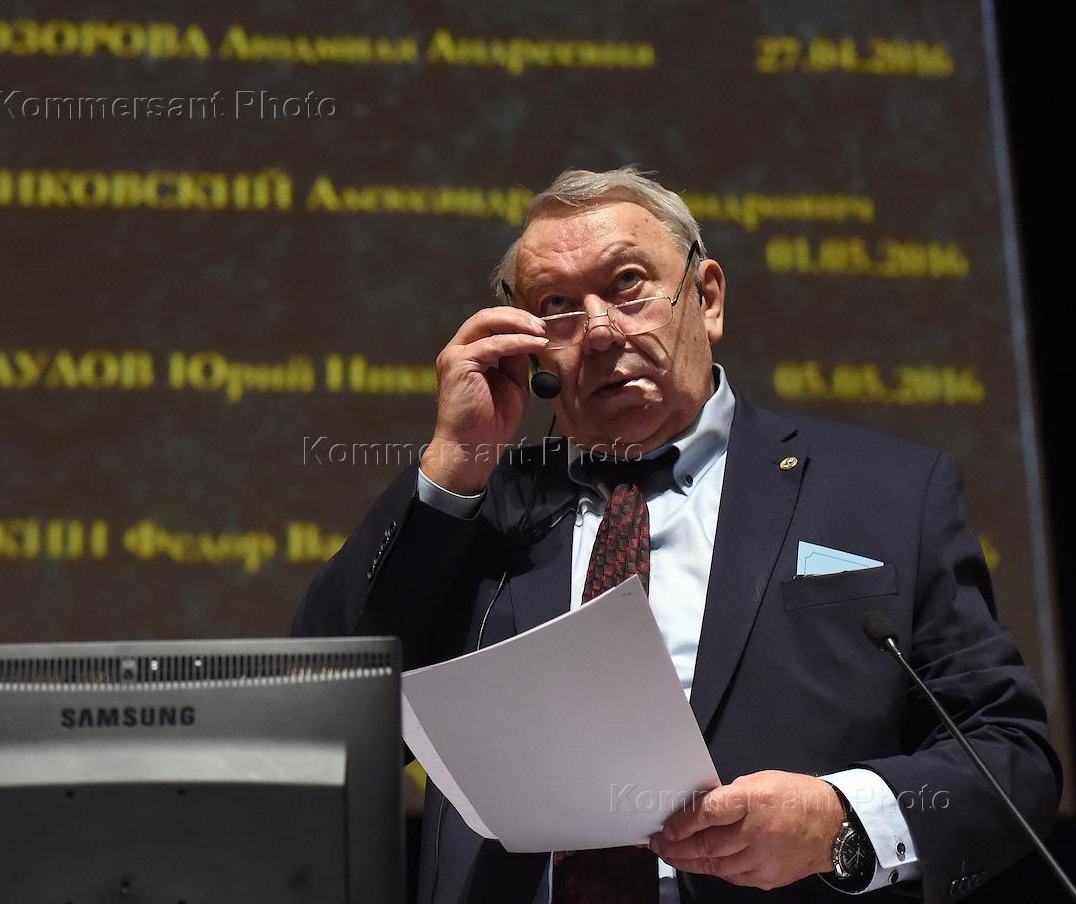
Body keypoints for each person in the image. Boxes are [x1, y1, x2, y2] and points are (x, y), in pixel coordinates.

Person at [292, 167, 1061, 903]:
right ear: (529, 350)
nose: (599, 331)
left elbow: (1008, 753)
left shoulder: (886, 492)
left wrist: (840, 822)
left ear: (707, 296)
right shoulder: (474, 511)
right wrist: (452, 467)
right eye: (557, 305)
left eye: (627, 283)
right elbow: (322, 722)